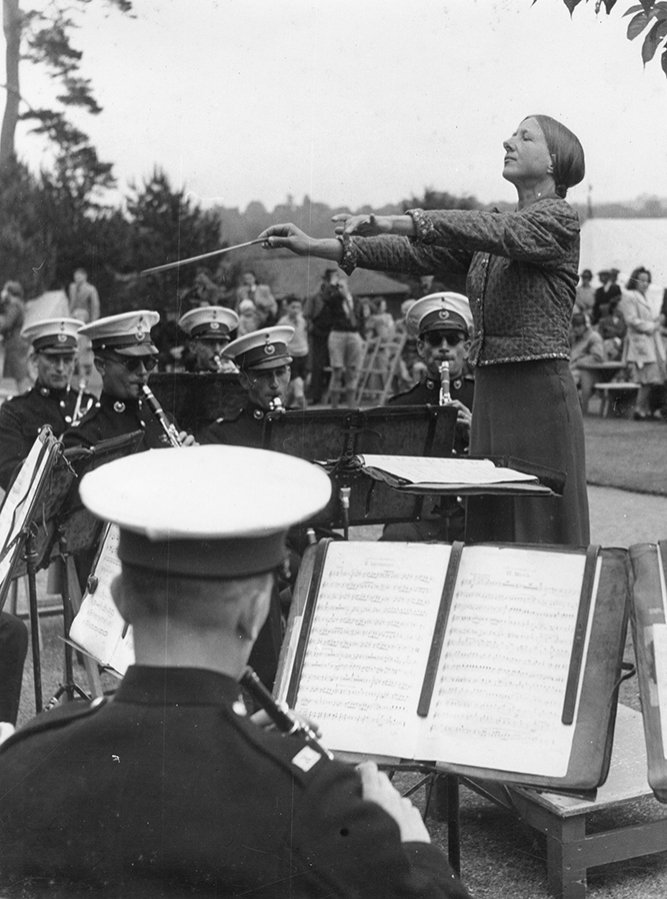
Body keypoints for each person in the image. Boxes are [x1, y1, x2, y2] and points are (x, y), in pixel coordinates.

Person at [0, 445, 469, 898]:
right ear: (254, 609)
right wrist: (414, 848)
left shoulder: (24, 760)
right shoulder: (322, 806)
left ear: (119, 600)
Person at [261, 114, 589, 545]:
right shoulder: (498, 232)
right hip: (492, 396)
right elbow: (413, 257)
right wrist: (315, 246)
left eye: (524, 136)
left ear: (553, 161)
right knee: (491, 531)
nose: (507, 141)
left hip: (537, 398)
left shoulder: (557, 220)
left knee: (541, 531)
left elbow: (496, 231)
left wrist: (396, 220)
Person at [384, 293, 475, 543]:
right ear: (421, 348)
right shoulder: (401, 405)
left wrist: (473, 435)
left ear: (467, 349)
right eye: (435, 340)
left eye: (453, 340)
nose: (444, 347)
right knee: (395, 540)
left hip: (470, 512)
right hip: (420, 514)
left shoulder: (483, 401)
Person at [63, 311, 193, 451]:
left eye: (148, 362)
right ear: (101, 365)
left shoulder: (164, 421)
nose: (143, 371)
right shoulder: (85, 436)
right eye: (131, 363)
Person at [0, 317, 95, 490]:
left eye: (67, 360)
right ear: (35, 360)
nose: (60, 368)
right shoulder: (14, 411)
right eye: (52, 359)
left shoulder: (88, 405)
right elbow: (9, 475)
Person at [199, 325, 293, 448]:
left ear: (289, 373)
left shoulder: (302, 425)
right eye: (264, 375)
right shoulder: (222, 434)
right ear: (244, 381)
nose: (274, 384)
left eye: (280, 373)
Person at [311, 271, 365, 409]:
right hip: (338, 333)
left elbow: (361, 319)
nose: (341, 287)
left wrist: (362, 336)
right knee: (337, 370)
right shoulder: (335, 300)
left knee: (353, 370)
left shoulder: (356, 300)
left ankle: (352, 407)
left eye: (343, 284)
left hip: (353, 334)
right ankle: (334, 407)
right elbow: (325, 298)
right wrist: (333, 286)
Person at [619, 266, 666, 421]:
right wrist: (652, 326)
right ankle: (639, 409)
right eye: (641, 280)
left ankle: (643, 409)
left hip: (650, 341)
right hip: (639, 340)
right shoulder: (629, 296)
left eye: (647, 281)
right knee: (647, 377)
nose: (644, 284)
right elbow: (631, 320)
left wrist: (656, 323)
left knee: (650, 377)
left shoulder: (646, 297)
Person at [178, 305, 239, 373]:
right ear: (193, 347)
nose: (217, 349)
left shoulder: (234, 374)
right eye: (210, 343)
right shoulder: (185, 380)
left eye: (222, 343)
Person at [68, 267, 101, 380]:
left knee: (83, 351)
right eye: (76, 276)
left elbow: (95, 308)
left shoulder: (91, 289)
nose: (77, 278)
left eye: (80, 276)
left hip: (84, 323)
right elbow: (71, 305)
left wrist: (92, 325)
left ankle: (85, 378)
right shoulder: (72, 288)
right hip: (73, 322)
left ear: (85, 276)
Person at [568, 311, 604, 413]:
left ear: (586, 325)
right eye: (574, 326)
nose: (576, 329)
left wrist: (578, 363)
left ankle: (576, 409)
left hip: (588, 371)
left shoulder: (594, 337)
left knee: (569, 378)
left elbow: (597, 357)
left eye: (579, 326)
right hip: (572, 368)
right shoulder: (574, 337)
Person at [277, 295, 309, 409]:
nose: (295, 310)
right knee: (298, 386)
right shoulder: (283, 322)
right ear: (287, 308)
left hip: (303, 354)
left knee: (295, 386)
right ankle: (306, 412)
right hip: (291, 356)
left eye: (298, 307)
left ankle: (285, 407)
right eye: (293, 307)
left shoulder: (303, 320)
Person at [0, 280, 30, 394]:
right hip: (16, 342)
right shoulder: (17, 304)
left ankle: (25, 401)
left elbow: (6, 323)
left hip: (15, 343)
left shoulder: (14, 305)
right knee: (20, 376)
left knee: (20, 377)